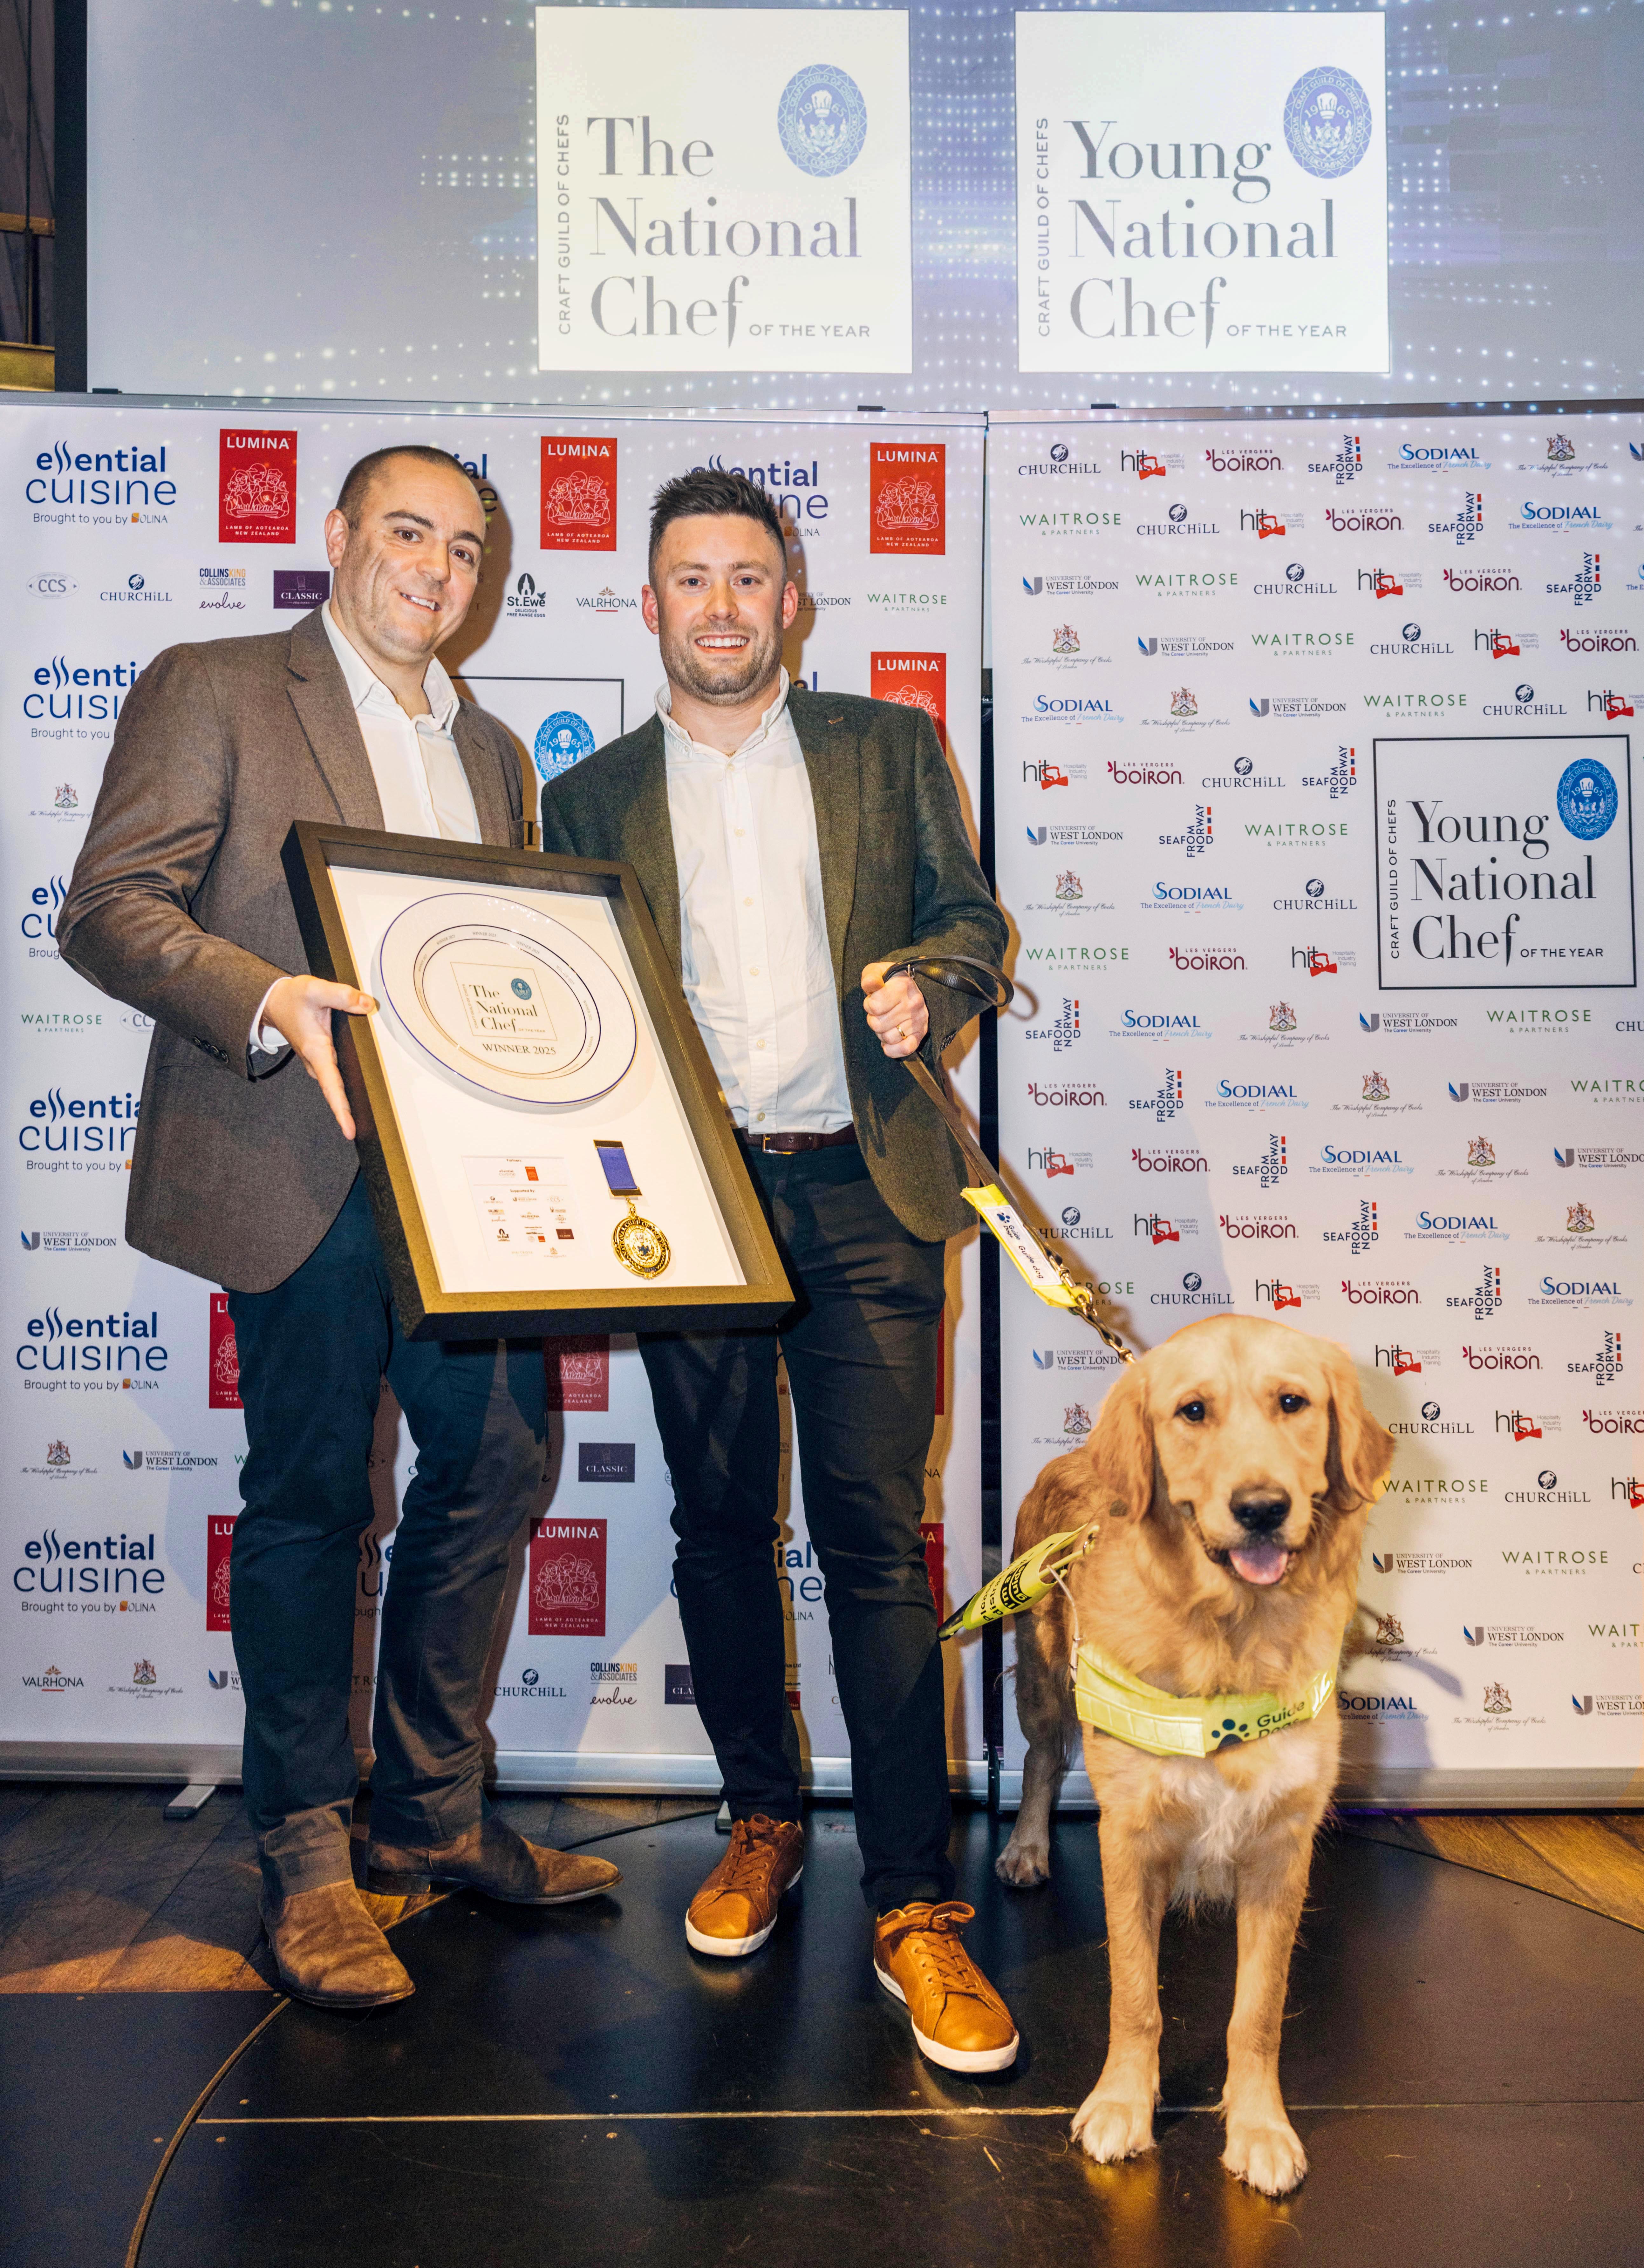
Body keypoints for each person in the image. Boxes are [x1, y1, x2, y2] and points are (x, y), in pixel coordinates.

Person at [58, 445, 619, 2010]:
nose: (434, 570)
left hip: (471, 1192)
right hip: (291, 1167)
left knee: (501, 1465)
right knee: (310, 1499)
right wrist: (264, 1003)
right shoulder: (216, 684)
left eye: (462, 546)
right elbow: (107, 906)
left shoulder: (497, 750)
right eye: (406, 534)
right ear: (338, 539)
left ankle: (431, 1821)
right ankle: (307, 1850)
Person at [538, 467, 1018, 2073]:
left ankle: (912, 1905)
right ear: (653, 601)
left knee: (877, 1543)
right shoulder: (591, 799)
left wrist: (932, 994)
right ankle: (759, 1819)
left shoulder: (889, 749)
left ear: (792, 597)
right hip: (696, 1207)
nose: (724, 607)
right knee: (723, 1531)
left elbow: (969, 922)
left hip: (868, 1196)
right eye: (692, 579)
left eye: (750, 577)